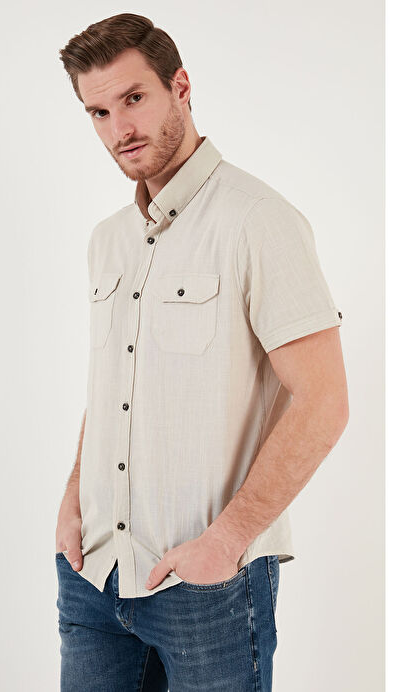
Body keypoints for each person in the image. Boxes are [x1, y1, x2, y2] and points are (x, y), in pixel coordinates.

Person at [54, 12, 349, 692]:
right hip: (93, 574)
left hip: (209, 588)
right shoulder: (107, 241)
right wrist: (72, 501)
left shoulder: (258, 221)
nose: (119, 129)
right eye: (99, 112)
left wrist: (226, 541)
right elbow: (114, 389)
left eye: (134, 98)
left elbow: (324, 401)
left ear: (180, 87)